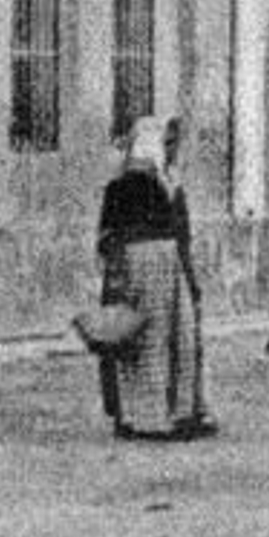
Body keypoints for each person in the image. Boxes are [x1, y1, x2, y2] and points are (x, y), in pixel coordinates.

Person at [94, 116, 204, 440]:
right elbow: (176, 231)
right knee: (165, 339)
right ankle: (168, 414)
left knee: (136, 341)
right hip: (162, 263)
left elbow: (107, 234)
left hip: (132, 262)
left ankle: (135, 416)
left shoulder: (118, 185)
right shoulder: (161, 185)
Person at [163, 115, 216, 435]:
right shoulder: (160, 182)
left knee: (188, 342)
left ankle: (196, 407)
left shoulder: (173, 179)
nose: (172, 150)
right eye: (167, 143)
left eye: (175, 143)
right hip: (170, 265)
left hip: (180, 264)